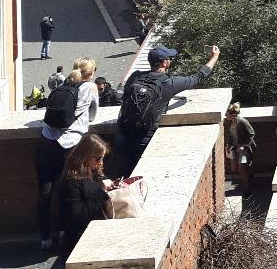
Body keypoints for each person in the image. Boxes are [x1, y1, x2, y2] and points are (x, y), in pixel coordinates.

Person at [114, 44, 220, 175]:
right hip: (143, 138)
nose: (171, 60)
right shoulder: (169, 83)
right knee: (140, 176)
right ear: (164, 63)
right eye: (170, 58)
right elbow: (198, 77)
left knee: (121, 175)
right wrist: (214, 57)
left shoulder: (135, 77)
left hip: (122, 135)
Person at [36, 58, 100, 250]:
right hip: (71, 145)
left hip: (47, 141)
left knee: (45, 190)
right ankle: (67, 232)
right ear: (91, 72)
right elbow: (92, 115)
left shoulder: (64, 83)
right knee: (72, 189)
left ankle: (45, 237)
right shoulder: (90, 87)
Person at [59, 134, 114, 257]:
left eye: (102, 158)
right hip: (78, 241)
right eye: (98, 159)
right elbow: (76, 216)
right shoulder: (71, 181)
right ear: (87, 157)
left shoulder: (96, 173)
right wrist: (101, 192)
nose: (101, 163)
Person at [225, 104, 257, 195]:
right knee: (234, 169)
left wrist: (244, 146)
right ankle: (249, 176)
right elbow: (230, 135)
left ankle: (247, 188)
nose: (225, 115)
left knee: (242, 167)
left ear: (233, 115)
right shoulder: (229, 122)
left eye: (227, 114)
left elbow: (251, 134)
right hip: (235, 148)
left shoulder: (243, 122)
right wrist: (228, 144)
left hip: (244, 148)